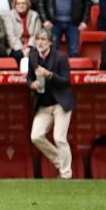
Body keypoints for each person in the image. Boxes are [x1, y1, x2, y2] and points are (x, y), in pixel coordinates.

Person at [27, 29, 75, 179]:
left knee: (59, 138)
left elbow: (66, 81)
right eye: (38, 39)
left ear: (50, 42)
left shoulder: (60, 57)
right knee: (36, 136)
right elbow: (29, 77)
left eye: (43, 39)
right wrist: (31, 84)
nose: (40, 42)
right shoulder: (33, 57)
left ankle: (66, 174)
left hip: (61, 103)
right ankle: (61, 162)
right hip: (43, 104)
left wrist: (49, 75)